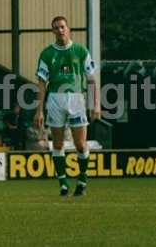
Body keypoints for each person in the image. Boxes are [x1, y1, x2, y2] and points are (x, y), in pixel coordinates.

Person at [34, 16, 100, 197]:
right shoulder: (47, 54)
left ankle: (82, 179)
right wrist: (39, 110)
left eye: (62, 27)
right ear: (53, 31)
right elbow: (41, 83)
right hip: (55, 99)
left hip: (77, 99)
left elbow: (92, 79)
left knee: (80, 144)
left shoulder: (80, 51)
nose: (60, 30)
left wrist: (96, 105)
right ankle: (63, 183)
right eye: (56, 28)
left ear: (68, 28)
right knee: (58, 143)